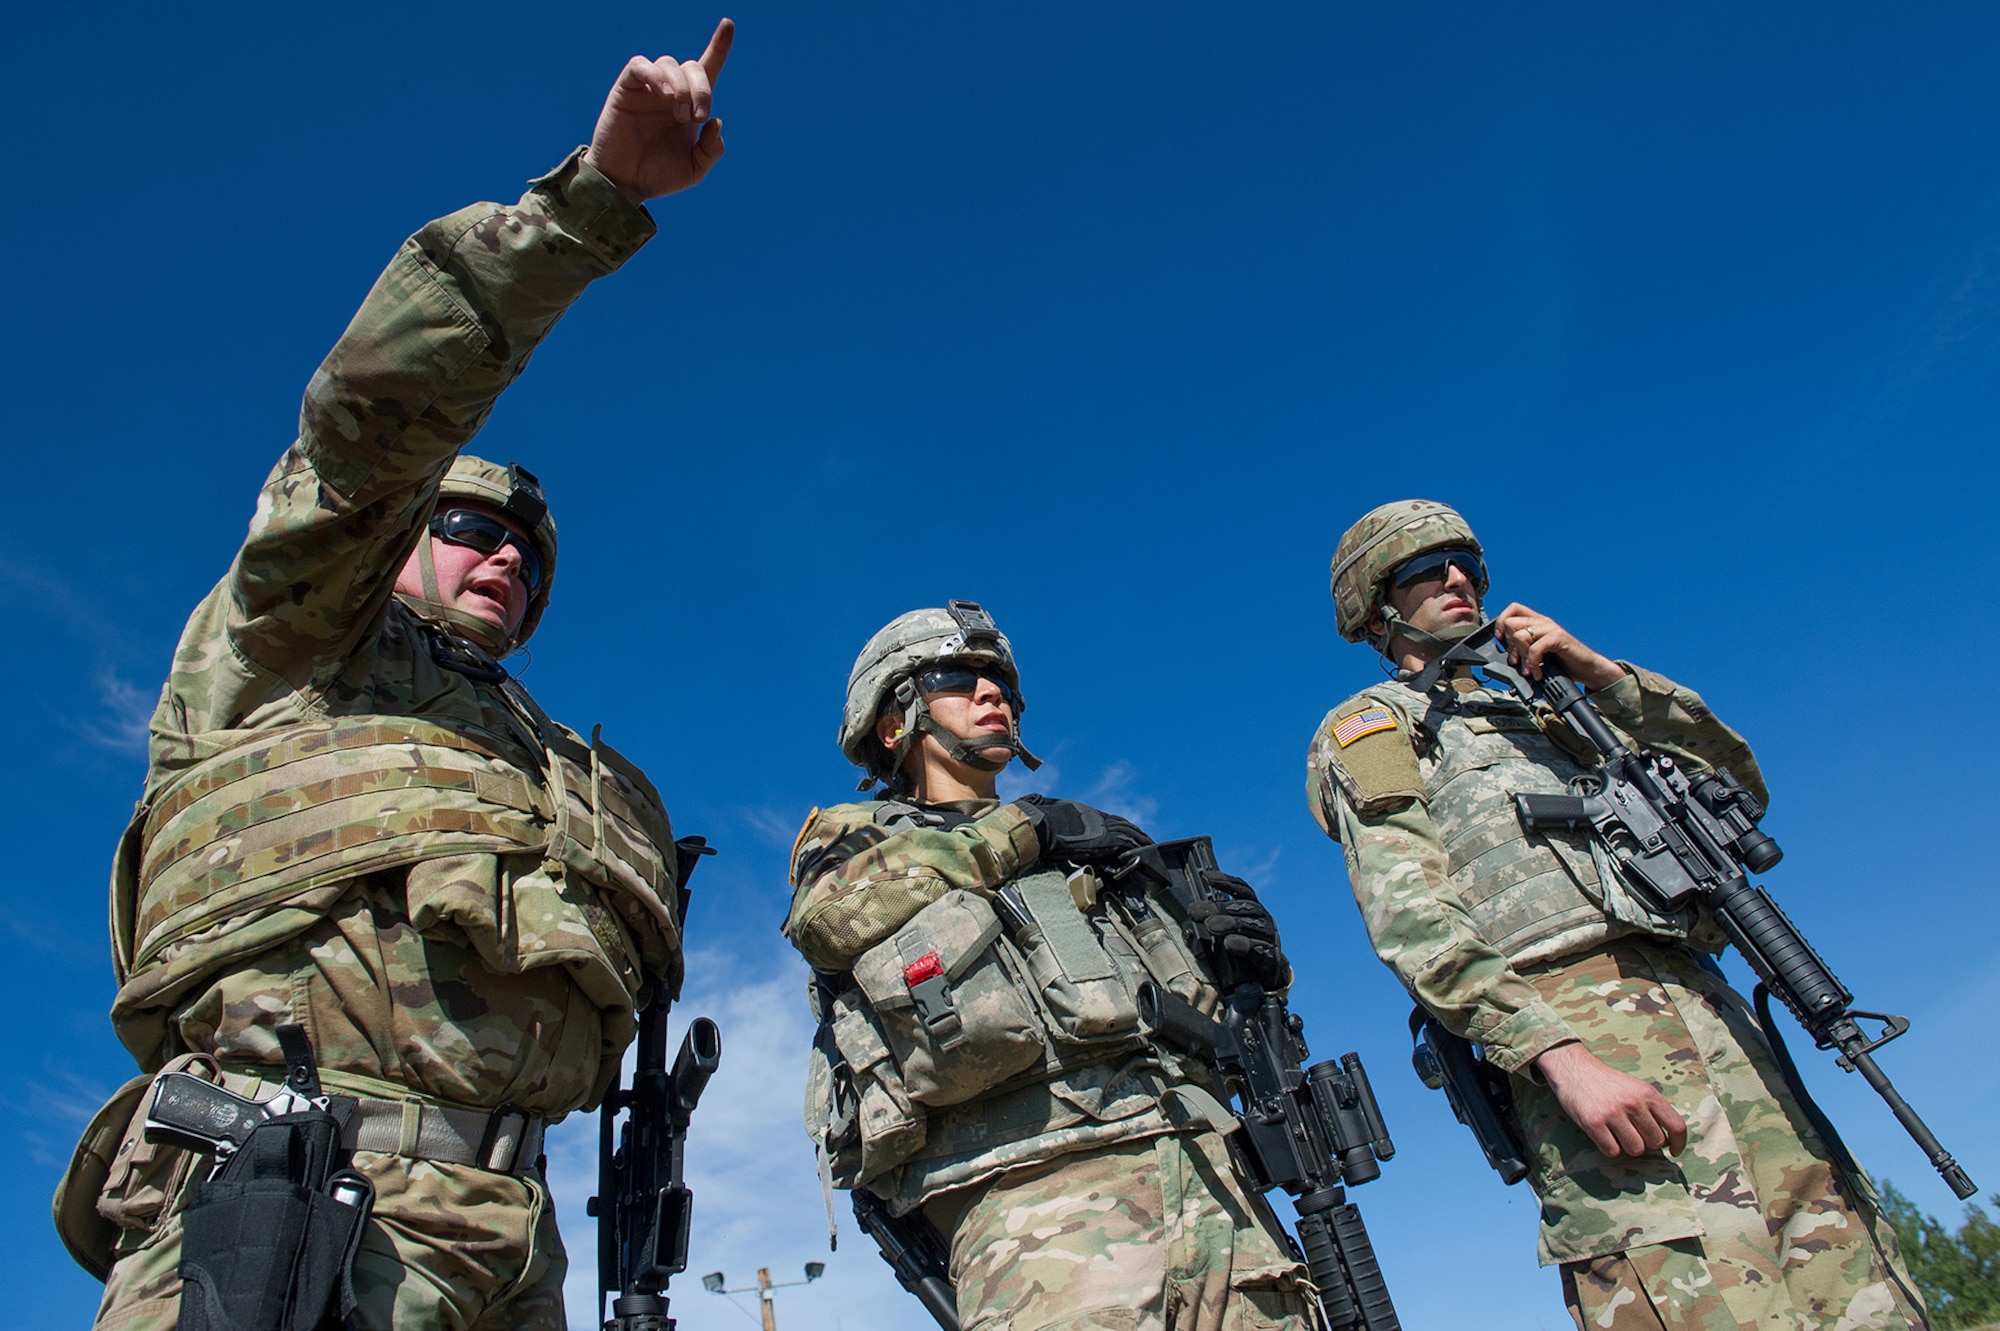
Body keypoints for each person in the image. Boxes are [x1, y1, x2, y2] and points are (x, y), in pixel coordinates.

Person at [53, 22, 737, 1330]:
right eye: (469, 527)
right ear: (402, 534)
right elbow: (374, 418)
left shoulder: (526, 747)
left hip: (515, 1239)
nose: (503, 561)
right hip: (296, 1202)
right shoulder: (305, 635)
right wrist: (593, 202)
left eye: (527, 555)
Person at [1305, 499, 1924, 1330]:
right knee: (1685, 1286)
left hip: (1711, 1009)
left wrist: (1604, 675)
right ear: (1377, 604)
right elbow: (1412, 917)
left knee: (1853, 1275)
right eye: (1425, 569)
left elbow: (1737, 785)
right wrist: (1558, 1054)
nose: (1458, 580)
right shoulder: (1375, 725)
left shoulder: (1561, 707)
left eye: (1468, 566)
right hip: (1581, 1033)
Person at [785, 601, 1311, 1331]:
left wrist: (1251, 972)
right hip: (1035, 1205)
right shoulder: (855, 844)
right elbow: (830, 918)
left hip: (1212, 1181)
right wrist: (1027, 828)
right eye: (957, 677)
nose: (991, 692)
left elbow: (1229, 1038)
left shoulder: (1097, 849)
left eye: (998, 680)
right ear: (892, 720)